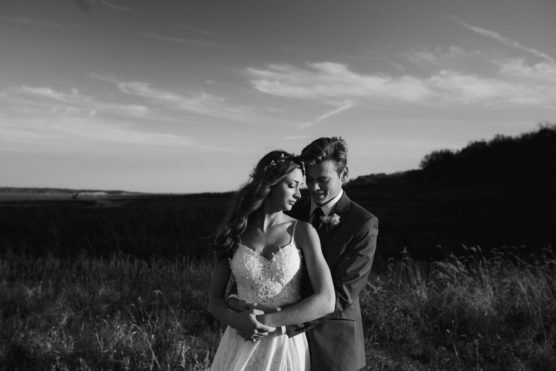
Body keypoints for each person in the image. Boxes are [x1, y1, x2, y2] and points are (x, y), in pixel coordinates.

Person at [208, 150, 335, 371]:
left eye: (299, 186)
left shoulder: (303, 231)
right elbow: (214, 301)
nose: (299, 194)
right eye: (292, 185)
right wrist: (237, 321)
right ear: (270, 184)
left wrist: (266, 322)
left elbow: (326, 300)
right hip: (240, 341)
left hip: (284, 345)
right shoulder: (234, 231)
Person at [286, 137, 379, 371]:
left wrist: (286, 322)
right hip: (285, 344)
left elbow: (343, 293)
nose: (314, 188)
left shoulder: (363, 223)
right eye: (310, 180)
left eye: (322, 180)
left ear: (344, 174)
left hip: (334, 344)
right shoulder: (291, 210)